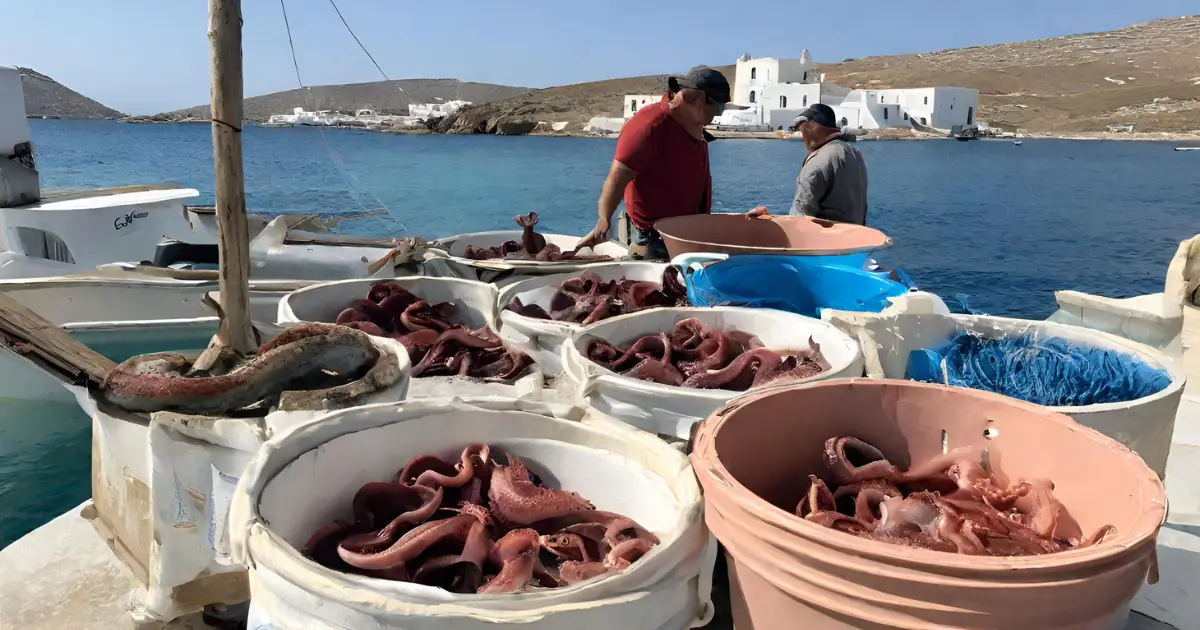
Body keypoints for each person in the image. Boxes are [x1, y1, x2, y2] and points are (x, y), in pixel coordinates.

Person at [576, 66, 743, 259]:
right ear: (699, 99)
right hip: (653, 239)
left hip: (686, 234)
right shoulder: (649, 126)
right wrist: (604, 221)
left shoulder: (693, 123)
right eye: (718, 108)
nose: (718, 116)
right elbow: (618, 176)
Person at [747, 103, 869, 225]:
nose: (803, 137)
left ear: (813, 128)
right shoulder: (855, 154)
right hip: (855, 238)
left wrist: (768, 221)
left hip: (825, 241)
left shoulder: (818, 160)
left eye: (802, 130)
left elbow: (799, 221)